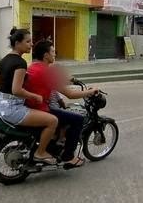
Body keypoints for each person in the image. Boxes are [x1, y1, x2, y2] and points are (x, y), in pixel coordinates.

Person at [24, 40, 98, 169]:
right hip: (41, 108)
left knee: (64, 114)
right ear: (46, 55)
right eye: (53, 52)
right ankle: (68, 156)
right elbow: (70, 94)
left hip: (30, 106)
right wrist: (90, 92)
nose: (55, 54)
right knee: (77, 119)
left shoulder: (32, 66)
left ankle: (55, 144)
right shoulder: (46, 72)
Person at [0, 27, 58, 165]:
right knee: (52, 121)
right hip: (12, 108)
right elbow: (16, 90)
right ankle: (40, 153)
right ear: (17, 43)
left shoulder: (4, 59)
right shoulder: (20, 63)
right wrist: (35, 97)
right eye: (28, 42)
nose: (31, 45)